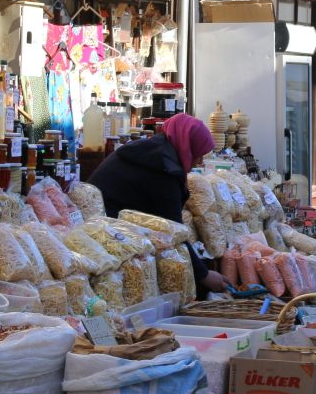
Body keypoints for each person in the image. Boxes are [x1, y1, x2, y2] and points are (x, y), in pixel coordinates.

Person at [89, 113, 224, 297]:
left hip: (98, 227)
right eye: (198, 153)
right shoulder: (164, 171)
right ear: (187, 145)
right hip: (107, 239)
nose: (199, 162)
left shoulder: (153, 151)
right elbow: (173, 231)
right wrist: (204, 275)